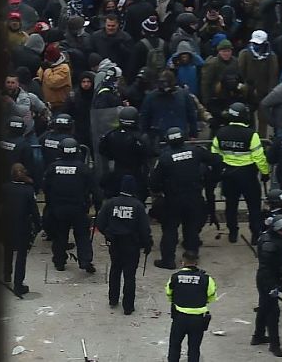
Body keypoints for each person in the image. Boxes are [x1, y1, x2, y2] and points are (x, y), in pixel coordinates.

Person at [150, 127, 210, 269]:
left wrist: (159, 191)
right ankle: (191, 257)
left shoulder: (165, 158)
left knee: (170, 229)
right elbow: (215, 160)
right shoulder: (195, 151)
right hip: (194, 197)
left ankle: (168, 260)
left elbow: (154, 182)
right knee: (191, 228)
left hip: (173, 199)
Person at [212, 102, 269, 245]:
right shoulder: (251, 135)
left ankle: (233, 232)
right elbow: (259, 157)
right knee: (254, 206)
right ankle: (256, 234)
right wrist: (265, 172)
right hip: (248, 174)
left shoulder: (220, 133)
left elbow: (214, 154)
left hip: (228, 174)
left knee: (231, 205)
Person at [42, 137, 99, 273]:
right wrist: (98, 205)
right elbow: (94, 189)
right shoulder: (83, 168)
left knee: (60, 236)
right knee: (82, 235)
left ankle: (59, 262)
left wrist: (50, 205)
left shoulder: (53, 168)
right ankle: (85, 260)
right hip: (78, 208)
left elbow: (45, 187)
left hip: (58, 208)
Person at [97, 174, 153, 314]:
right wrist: (147, 244)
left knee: (115, 270)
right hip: (132, 245)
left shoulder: (110, 203)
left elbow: (100, 223)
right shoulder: (138, 206)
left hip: (115, 243)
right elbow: (144, 229)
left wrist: (108, 235)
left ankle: (113, 299)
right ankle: (128, 307)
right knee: (129, 275)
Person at [253, 215, 282, 356]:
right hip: (267, 280)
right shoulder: (268, 244)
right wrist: (271, 287)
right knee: (273, 312)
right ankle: (274, 345)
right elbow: (267, 268)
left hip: (274, 278)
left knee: (263, 308)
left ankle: (258, 336)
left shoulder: (278, 238)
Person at [166, 250, 217, 362]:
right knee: (194, 348)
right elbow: (212, 296)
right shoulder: (207, 279)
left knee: (174, 346)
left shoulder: (175, 277)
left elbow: (169, 293)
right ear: (196, 262)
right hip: (198, 319)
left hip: (179, 317)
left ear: (182, 262)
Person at [2, 163, 41, 297]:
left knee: (7, 249)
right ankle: (18, 284)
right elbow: (34, 211)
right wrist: (38, 225)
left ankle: (6, 274)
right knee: (21, 256)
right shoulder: (28, 191)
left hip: (5, 225)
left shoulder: (4, 188)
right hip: (22, 227)